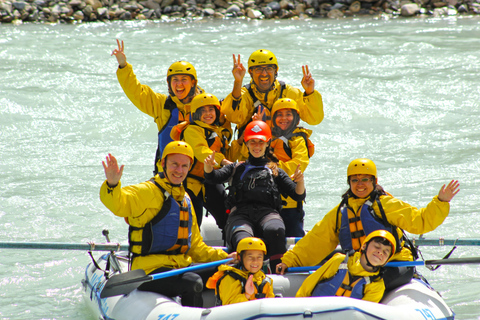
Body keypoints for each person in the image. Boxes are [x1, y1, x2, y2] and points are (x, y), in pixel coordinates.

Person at [276, 158, 460, 291]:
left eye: (365, 179)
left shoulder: (385, 204)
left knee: (364, 282)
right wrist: (289, 261)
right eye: (355, 180)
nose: (360, 184)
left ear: (374, 182)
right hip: (360, 264)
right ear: (349, 183)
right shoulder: (341, 211)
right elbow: (316, 240)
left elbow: (419, 221)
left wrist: (440, 202)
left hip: (393, 264)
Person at [100, 141, 236, 307]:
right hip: (149, 270)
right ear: (163, 163)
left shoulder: (185, 199)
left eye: (184, 166)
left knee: (230, 272)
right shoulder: (147, 191)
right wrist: (112, 185)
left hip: (179, 266)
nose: (179, 170)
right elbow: (119, 204)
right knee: (192, 282)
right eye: (174, 164)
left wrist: (226, 258)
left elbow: (196, 247)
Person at [204, 120, 306, 271]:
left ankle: (277, 273)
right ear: (246, 143)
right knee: (244, 240)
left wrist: (300, 181)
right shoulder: (236, 167)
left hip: (268, 214)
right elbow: (212, 178)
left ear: (267, 143)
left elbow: (298, 195)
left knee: (275, 231)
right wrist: (208, 167)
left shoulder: (275, 170)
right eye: (253, 142)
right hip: (240, 214)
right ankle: (241, 273)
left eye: (260, 142)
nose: (257, 146)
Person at [111, 39, 204, 174]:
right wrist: (123, 66)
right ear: (169, 83)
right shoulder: (161, 104)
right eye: (175, 80)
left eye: (184, 79)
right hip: (169, 175)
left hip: (199, 175)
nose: (179, 84)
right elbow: (137, 92)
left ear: (193, 82)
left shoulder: (206, 105)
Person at [221, 49, 324, 138]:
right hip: (254, 153)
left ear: (276, 71)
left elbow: (314, 119)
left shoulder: (288, 92)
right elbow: (233, 118)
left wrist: (310, 92)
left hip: (281, 152)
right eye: (258, 69)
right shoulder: (244, 94)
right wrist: (238, 82)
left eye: (269, 68)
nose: (264, 74)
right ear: (250, 72)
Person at [170, 92, 235, 229]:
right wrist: (223, 162)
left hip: (211, 180)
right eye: (203, 111)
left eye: (211, 110)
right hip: (191, 183)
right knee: (193, 222)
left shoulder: (216, 131)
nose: (208, 113)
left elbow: (226, 147)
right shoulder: (191, 130)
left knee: (227, 218)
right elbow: (201, 151)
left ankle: (232, 246)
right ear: (195, 113)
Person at [296, 230, 395, 303]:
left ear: (387, 260)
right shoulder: (339, 261)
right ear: (364, 246)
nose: (380, 252)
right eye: (377, 246)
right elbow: (308, 286)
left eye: (386, 252)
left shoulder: (376, 286)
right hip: (313, 313)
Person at [269, 98, 315, 237]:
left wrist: (273, 168)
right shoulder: (267, 136)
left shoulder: (298, 138)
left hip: (290, 203)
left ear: (296, 118)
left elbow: (300, 163)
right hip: (268, 201)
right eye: (279, 115)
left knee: (293, 235)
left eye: (288, 114)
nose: (284, 118)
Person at [206, 237, 275, 305]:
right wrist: (246, 295)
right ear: (239, 257)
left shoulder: (266, 280)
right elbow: (228, 307)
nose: (255, 261)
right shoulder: (229, 278)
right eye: (250, 257)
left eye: (259, 257)